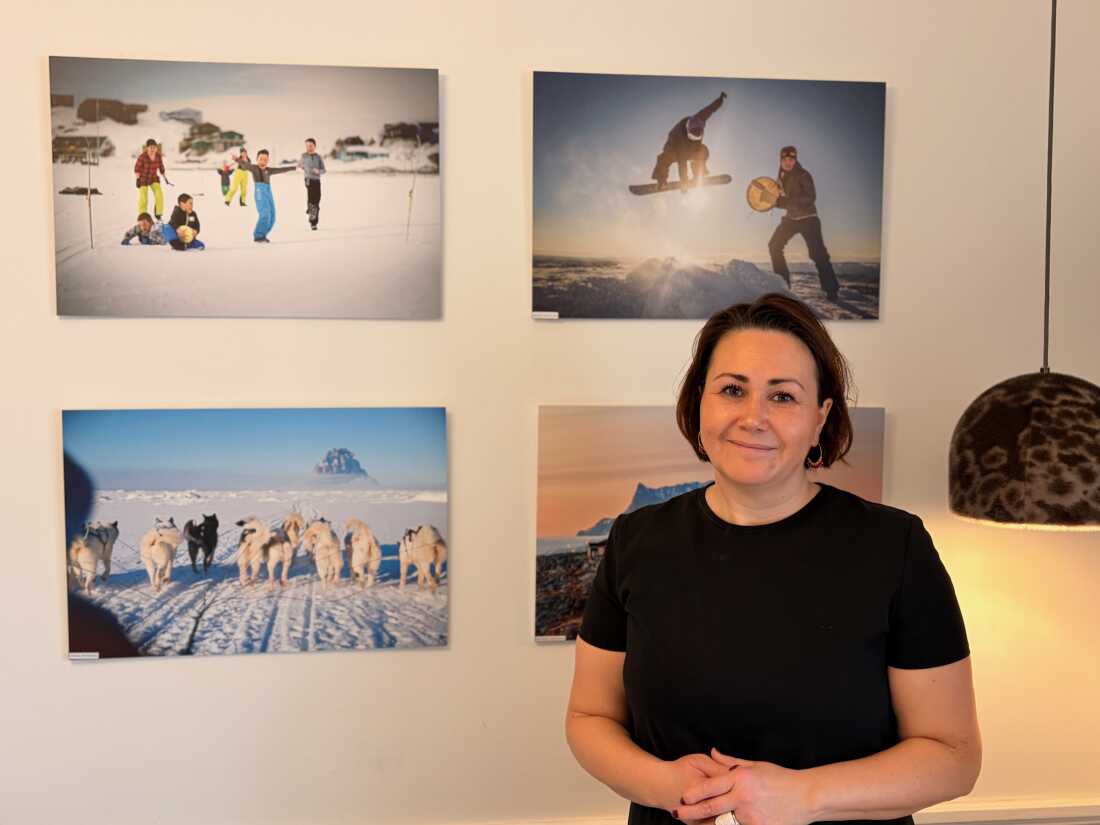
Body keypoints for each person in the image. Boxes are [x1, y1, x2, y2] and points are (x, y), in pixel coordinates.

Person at [565, 294, 980, 825]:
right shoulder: (635, 540)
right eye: (732, 390)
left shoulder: (895, 547)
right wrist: (664, 784)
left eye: (783, 397)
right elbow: (589, 716)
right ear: (699, 404)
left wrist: (807, 795)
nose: (752, 417)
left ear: (819, 419)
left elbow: (954, 757)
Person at [768, 146, 841, 300]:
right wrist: (772, 202)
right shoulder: (780, 177)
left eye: (791, 159)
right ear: (781, 160)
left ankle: (831, 290)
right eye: (785, 159)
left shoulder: (803, 174)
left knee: (817, 254)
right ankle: (783, 287)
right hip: (791, 219)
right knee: (774, 245)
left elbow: (810, 198)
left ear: (795, 160)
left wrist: (784, 202)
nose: (788, 162)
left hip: (809, 219)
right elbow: (779, 199)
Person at [651, 92, 726, 190]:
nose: (694, 138)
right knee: (663, 158)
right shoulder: (678, 135)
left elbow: (711, 109)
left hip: (691, 148)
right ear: (687, 130)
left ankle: (698, 173)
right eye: (692, 136)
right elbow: (682, 161)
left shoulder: (700, 118)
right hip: (674, 149)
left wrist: (720, 100)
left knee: (703, 150)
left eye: (697, 137)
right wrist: (684, 181)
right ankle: (661, 181)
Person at [230, 148, 297, 242]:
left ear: (268, 161)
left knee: (272, 216)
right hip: (260, 191)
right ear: (257, 159)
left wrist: (294, 167)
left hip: (268, 192)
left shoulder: (268, 170)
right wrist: (237, 159)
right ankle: (258, 235)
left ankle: (263, 234)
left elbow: (281, 169)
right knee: (265, 214)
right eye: (261, 159)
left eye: (265, 159)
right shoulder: (254, 168)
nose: (263, 161)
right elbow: (246, 165)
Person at [134, 138, 169, 220]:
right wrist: (138, 179)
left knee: (159, 194)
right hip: (143, 178)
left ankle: (158, 213)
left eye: (154, 147)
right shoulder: (142, 157)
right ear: (147, 148)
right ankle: (143, 215)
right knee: (143, 197)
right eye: (151, 148)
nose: (153, 149)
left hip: (153, 178)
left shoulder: (158, 156)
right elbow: (137, 169)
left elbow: (161, 167)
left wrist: (165, 177)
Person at [299, 137, 326, 230]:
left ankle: (310, 209)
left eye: (310, 146)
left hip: (317, 180)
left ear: (315, 146)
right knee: (312, 199)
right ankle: (313, 223)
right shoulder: (303, 156)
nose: (309, 147)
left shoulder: (318, 157)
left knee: (317, 200)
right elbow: (300, 165)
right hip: (308, 180)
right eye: (307, 146)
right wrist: (302, 167)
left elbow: (324, 170)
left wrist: (318, 171)